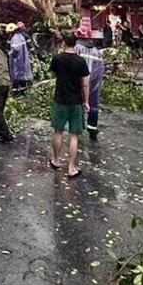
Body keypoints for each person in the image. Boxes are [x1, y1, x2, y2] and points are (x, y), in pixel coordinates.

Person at [49, 32, 89, 178]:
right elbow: (85, 84)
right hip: (76, 101)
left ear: (64, 43)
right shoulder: (80, 61)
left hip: (60, 99)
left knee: (58, 131)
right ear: (75, 43)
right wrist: (86, 101)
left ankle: (56, 160)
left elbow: (54, 75)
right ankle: (71, 168)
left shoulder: (57, 59)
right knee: (74, 135)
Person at [75, 27, 105, 141]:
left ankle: (78, 128)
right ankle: (92, 129)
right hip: (94, 83)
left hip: (79, 81)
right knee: (93, 105)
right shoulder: (96, 51)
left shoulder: (77, 48)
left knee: (79, 103)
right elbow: (101, 69)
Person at [8, 22, 33, 95]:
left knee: (16, 76)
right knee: (22, 76)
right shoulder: (21, 37)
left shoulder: (15, 38)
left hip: (17, 61)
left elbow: (15, 49)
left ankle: (16, 92)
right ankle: (23, 91)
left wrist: (10, 53)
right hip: (23, 60)